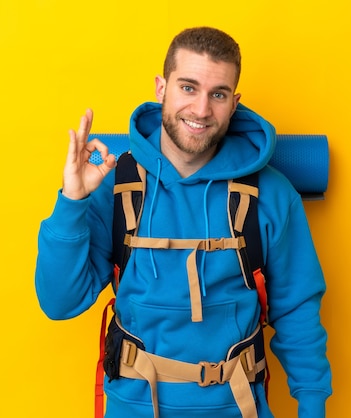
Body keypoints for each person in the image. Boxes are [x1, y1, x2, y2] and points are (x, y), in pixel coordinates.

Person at [35, 26, 331, 417]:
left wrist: (312, 407)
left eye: (218, 94)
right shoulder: (114, 185)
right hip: (133, 406)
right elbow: (60, 302)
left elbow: (297, 311)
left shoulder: (271, 194)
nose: (202, 110)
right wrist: (73, 201)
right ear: (161, 89)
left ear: (234, 101)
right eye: (188, 88)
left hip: (236, 406)